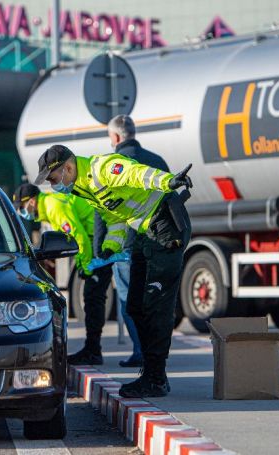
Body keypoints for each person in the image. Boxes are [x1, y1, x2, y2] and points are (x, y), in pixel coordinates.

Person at [34, 143, 192, 398]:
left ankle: (156, 378)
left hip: (166, 226)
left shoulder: (101, 168)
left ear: (68, 167)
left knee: (156, 306)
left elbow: (136, 173)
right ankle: (151, 373)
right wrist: (110, 246)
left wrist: (168, 181)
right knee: (135, 307)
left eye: (53, 178)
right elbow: (115, 218)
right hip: (145, 232)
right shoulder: (82, 188)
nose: (53, 185)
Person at [13, 183, 113, 365]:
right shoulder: (51, 204)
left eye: (22, 207)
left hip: (97, 244)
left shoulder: (53, 207)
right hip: (95, 242)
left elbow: (79, 237)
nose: (22, 212)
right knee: (92, 299)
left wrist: (87, 267)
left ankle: (93, 350)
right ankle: (92, 348)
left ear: (32, 201)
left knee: (93, 299)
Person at [103, 115, 170, 368]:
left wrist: (104, 245)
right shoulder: (157, 161)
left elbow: (106, 210)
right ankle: (155, 355)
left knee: (130, 302)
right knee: (155, 301)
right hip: (159, 242)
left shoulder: (113, 164)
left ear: (116, 137)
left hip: (127, 245)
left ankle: (141, 352)